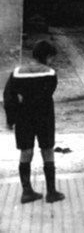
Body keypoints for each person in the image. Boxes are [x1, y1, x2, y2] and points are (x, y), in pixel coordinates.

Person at [3, 40, 65, 204]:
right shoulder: (50, 73)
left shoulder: (17, 72)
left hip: (23, 118)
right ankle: (51, 192)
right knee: (47, 150)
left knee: (26, 152)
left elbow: (8, 97)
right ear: (47, 56)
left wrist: (11, 118)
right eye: (51, 58)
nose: (52, 61)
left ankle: (27, 192)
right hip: (44, 117)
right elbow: (47, 94)